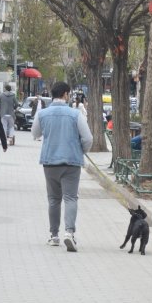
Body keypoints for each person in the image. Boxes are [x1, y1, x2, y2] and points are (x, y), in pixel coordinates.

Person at [32, 81, 93, 252]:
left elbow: (35, 133)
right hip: (71, 162)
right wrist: (82, 150)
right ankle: (69, 233)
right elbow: (88, 138)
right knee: (71, 198)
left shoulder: (42, 114)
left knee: (53, 199)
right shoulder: (75, 114)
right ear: (66, 94)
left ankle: (54, 236)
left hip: (50, 161)